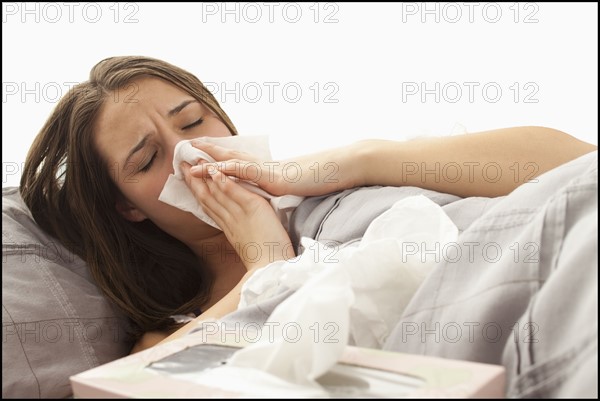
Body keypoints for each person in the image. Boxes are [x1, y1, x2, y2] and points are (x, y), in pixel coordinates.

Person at [20, 56, 597, 354]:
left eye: (194, 121)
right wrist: (266, 265)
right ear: (128, 208)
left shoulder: (329, 186)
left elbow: (574, 162)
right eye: (147, 160)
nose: (191, 155)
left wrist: (359, 158)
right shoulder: (177, 329)